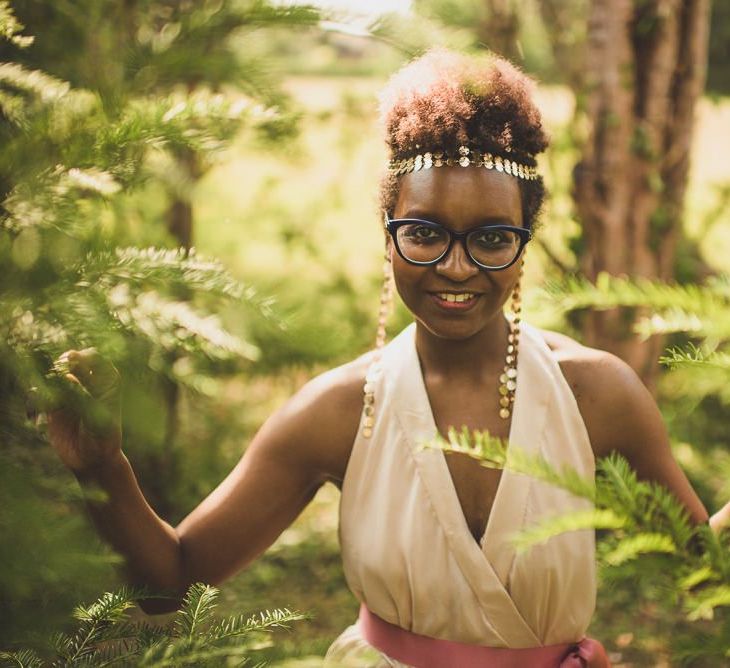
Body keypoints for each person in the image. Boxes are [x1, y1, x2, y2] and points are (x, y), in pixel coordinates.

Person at [47, 49, 728, 668]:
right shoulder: (339, 411)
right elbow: (173, 582)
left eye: (492, 237)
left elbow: (706, 567)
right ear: (388, 235)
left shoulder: (596, 395)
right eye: (425, 233)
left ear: (525, 242)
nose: (456, 269)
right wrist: (103, 466)